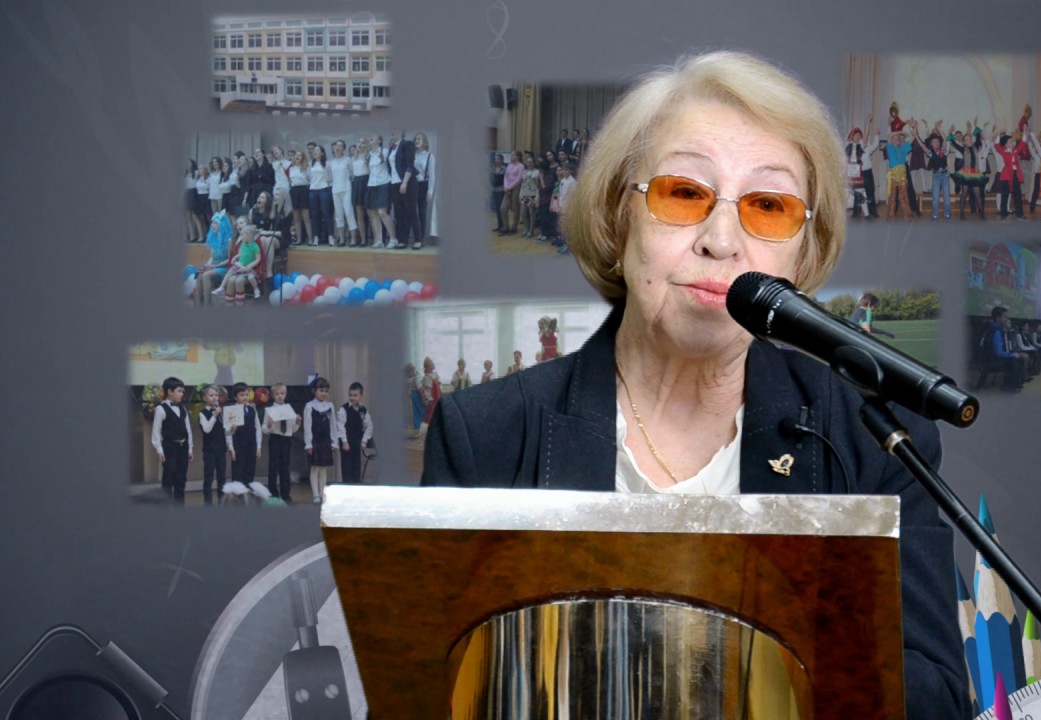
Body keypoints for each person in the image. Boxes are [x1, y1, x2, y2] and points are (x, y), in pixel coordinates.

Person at [421, 51, 968, 717]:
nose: (721, 240)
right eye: (684, 194)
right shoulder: (484, 435)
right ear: (617, 220)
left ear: (803, 252)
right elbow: (425, 693)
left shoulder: (873, 441)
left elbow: (935, 699)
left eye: (768, 206)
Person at [151, 376, 192, 504]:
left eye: (183, 392)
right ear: (170, 392)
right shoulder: (161, 409)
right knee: (168, 477)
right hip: (169, 448)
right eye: (179, 391)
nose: (182, 394)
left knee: (181, 478)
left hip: (183, 447)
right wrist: (159, 450)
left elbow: (188, 430)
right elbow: (156, 431)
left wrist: (190, 448)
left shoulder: (183, 409)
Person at [304, 377, 339, 503]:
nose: (324, 393)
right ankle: (316, 494)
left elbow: (333, 425)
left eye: (326, 391)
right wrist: (308, 444)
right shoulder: (309, 406)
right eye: (321, 390)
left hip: (326, 441)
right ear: (314, 391)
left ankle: (322, 493)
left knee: (323, 469)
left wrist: (334, 441)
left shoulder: (330, 406)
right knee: (315, 468)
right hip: (315, 441)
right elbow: (307, 426)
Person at [263, 382, 299, 502]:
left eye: (282, 393)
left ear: (285, 394)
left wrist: (297, 422)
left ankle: (286, 495)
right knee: (273, 468)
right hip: (275, 439)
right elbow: (264, 429)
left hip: (286, 440)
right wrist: (269, 425)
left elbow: (292, 429)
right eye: (277, 394)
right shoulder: (270, 410)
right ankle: (273, 494)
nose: (280, 396)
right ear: (273, 395)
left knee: (285, 468)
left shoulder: (289, 408)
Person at [225, 382, 262, 495]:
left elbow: (258, 428)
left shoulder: (252, 409)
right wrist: (231, 449)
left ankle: (248, 496)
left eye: (247, 395)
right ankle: (238, 497)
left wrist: (258, 446)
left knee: (250, 470)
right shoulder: (231, 410)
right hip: (238, 445)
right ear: (235, 397)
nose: (245, 397)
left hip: (251, 444)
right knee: (238, 471)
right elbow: (227, 432)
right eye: (242, 395)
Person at [197, 385, 228, 505]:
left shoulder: (221, 412)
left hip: (221, 449)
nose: (215, 397)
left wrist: (232, 430)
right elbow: (206, 429)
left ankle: (222, 502)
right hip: (209, 450)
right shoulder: (203, 413)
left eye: (216, 395)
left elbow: (225, 431)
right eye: (211, 395)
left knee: (222, 478)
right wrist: (214, 415)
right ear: (204, 398)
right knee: (209, 478)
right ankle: (208, 504)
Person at [338, 382, 373, 484]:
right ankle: (346, 488)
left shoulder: (363, 410)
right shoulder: (344, 409)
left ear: (361, 396)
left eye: (355, 395)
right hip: (347, 443)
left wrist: (364, 441)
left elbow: (369, 426)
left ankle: (356, 487)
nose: (352, 398)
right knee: (347, 468)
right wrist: (344, 441)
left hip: (357, 442)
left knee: (356, 467)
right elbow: (340, 425)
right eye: (350, 395)